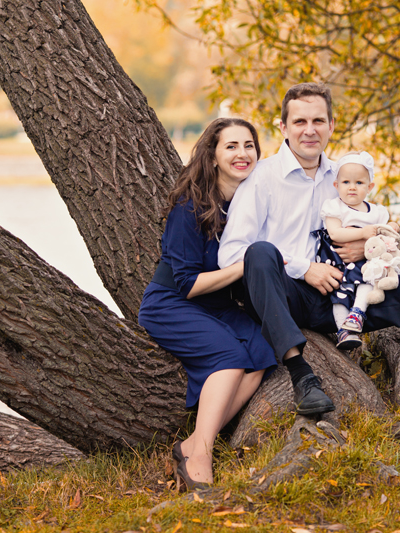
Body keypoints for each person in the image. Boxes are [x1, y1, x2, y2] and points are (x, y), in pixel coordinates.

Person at [217, 83, 400, 434]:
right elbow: (231, 253)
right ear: (283, 127)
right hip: (283, 295)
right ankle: (302, 377)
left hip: (342, 294)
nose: (309, 130)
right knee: (261, 251)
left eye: (318, 121)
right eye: (299, 122)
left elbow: (373, 227)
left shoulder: (344, 176)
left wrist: (363, 244)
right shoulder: (262, 178)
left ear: (331, 126)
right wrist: (304, 269)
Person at [138, 118, 277, 492]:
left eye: (248, 145)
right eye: (231, 146)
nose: (242, 154)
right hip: (172, 302)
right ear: (213, 156)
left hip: (218, 305)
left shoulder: (252, 203)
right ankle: (201, 455)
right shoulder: (190, 206)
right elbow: (187, 284)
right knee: (230, 357)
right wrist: (243, 266)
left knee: (262, 352)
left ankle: (193, 443)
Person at [312, 151, 400, 350]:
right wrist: (363, 233)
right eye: (346, 182)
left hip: (365, 260)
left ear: (369, 187)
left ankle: (357, 312)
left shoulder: (376, 211)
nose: (352, 187)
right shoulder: (335, 207)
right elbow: (335, 233)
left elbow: (383, 230)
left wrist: (391, 226)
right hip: (337, 259)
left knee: (370, 278)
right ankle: (342, 330)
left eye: (359, 183)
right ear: (336, 185)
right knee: (339, 293)